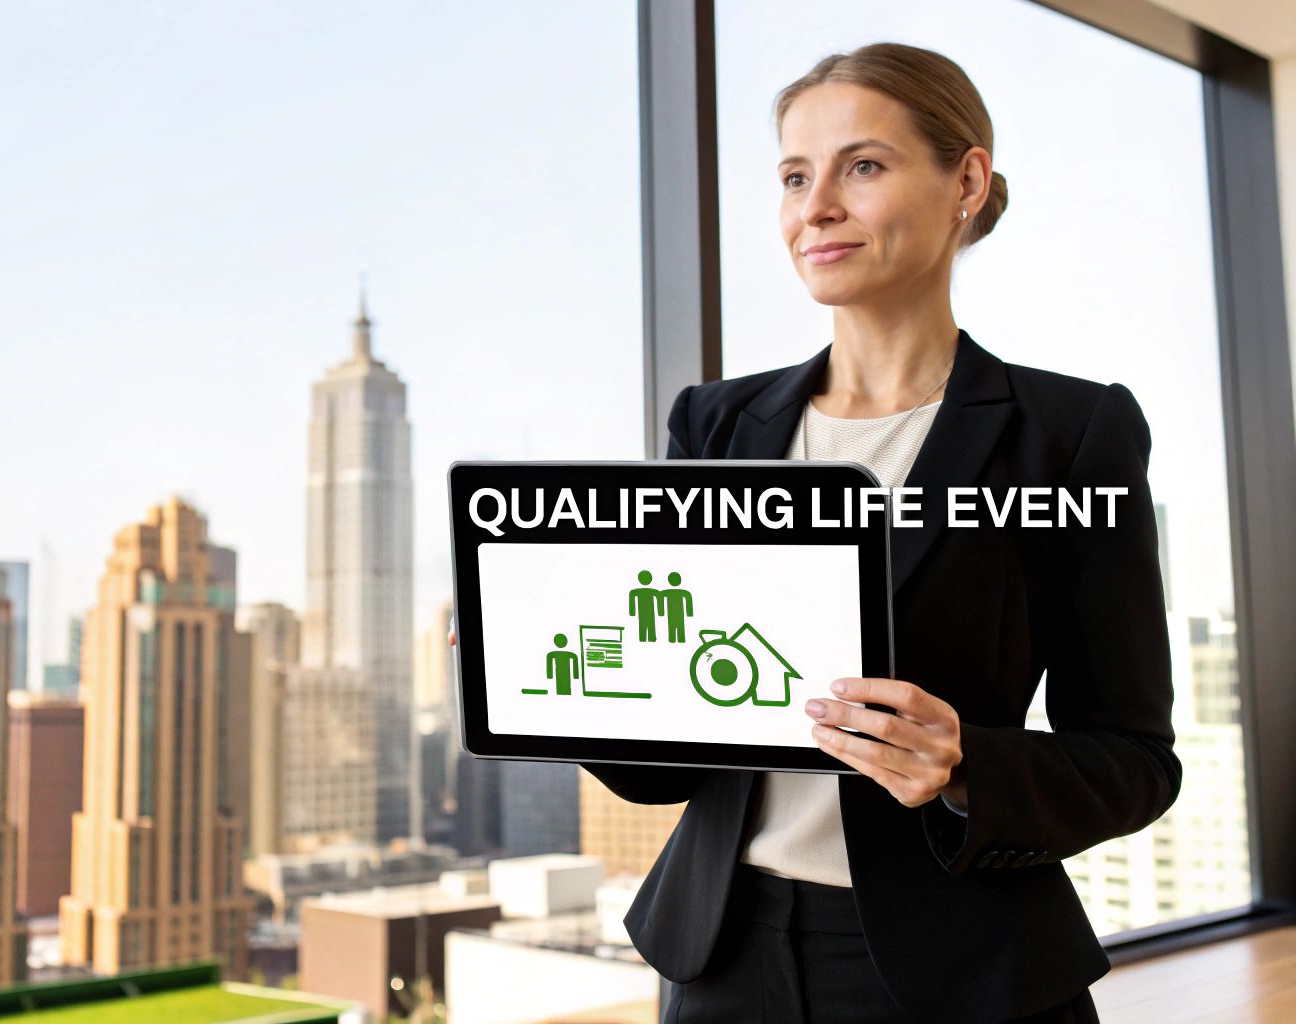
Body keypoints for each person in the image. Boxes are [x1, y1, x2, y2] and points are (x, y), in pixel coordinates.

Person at [452, 42, 1178, 1023]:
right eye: (794, 176)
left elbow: (1132, 759)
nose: (814, 206)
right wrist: (545, 668)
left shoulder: (1067, 434)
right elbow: (665, 761)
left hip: (956, 969)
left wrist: (964, 768)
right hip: (721, 957)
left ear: (964, 180)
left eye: (861, 166)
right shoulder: (712, 425)